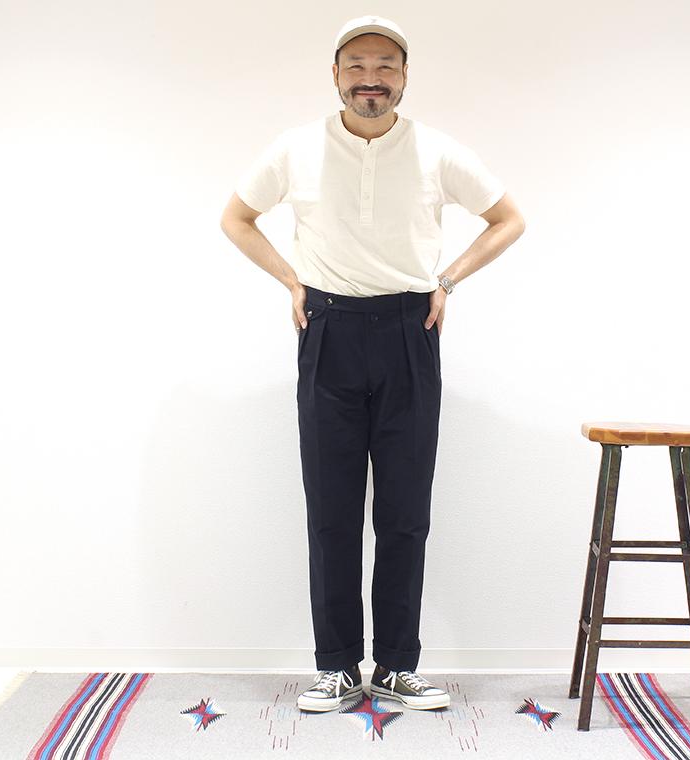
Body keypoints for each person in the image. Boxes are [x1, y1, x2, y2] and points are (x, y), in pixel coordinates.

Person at [220, 14, 526, 713]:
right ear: (335, 75)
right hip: (327, 328)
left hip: (410, 330)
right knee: (331, 510)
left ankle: (394, 665)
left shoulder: (437, 151)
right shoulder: (295, 149)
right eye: (356, 65)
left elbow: (508, 218)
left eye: (386, 66)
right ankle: (335, 665)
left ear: (405, 76)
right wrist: (291, 281)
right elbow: (236, 217)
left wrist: (447, 281)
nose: (371, 79)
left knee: (405, 511)